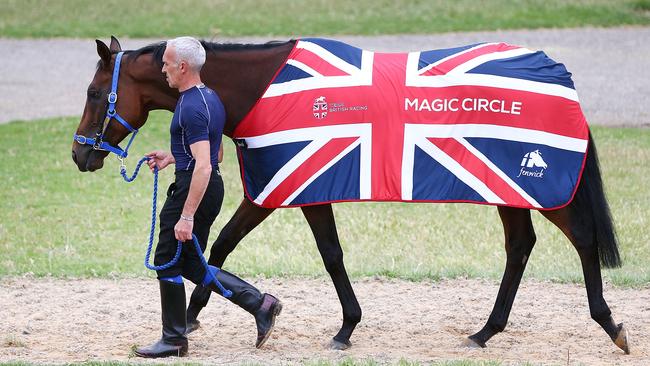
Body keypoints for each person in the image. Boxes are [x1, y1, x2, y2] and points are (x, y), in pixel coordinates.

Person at [134, 36, 282, 358]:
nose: (163, 70)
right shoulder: (209, 97)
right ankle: (260, 304)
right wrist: (172, 157)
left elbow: (204, 165)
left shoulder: (189, 108)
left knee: (167, 259)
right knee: (190, 263)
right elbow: (216, 155)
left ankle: (174, 339)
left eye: (167, 64)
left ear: (183, 67)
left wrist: (186, 215)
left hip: (195, 188)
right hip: (206, 184)